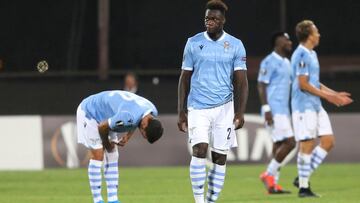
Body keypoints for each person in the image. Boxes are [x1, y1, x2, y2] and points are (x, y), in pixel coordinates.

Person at [177, 1, 248, 202]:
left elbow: (242, 82)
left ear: (223, 20)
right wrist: (181, 110)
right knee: (199, 149)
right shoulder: (193, 43)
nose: (210, 22)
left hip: (225, 107)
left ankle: (210, 201)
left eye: (215, 19)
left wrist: (240, 112)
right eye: (207, 18)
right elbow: (184, 78)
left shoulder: (235, 45)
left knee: (220, 157)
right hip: (197, 106)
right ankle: (199, 201)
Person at [291, 20, 353, 198]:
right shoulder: (300, 54)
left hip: (316, 105)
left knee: (328, 141)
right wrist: (328, 97)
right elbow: (302, 84)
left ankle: (302, 177)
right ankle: (303, 188)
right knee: (307, 144)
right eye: (316, 31)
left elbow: (314, 82)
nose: (319, 34)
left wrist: (334, 95)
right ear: (309, 35)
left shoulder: (312, 54)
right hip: (303, 107)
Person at [76, 90, 163, 203]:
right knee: (98, 154)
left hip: (109, 114)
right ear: (146, 124)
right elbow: (102, 127)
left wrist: (127, 137)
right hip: (90, 111)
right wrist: (107, 144)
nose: (142, 134)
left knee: (113, 155)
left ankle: (113, 199)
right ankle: (97, 200)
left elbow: (137, 120)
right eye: (143, 134)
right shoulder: (128, 117)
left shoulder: (151, 111)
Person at [257, 32, 296, 194]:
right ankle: (269, 174)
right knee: (290, 143)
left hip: (283, 110)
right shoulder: (269, 61)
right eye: (287, 40)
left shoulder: (287, 62)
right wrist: (267, 109)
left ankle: (273, 185)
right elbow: (261, 84)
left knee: (279, 145)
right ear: (278, 42)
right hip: (274, 109)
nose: (290, 42)